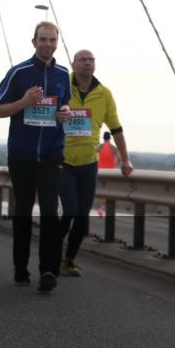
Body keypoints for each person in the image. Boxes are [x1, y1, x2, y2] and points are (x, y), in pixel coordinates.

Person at [0, 21, 72, 293]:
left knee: (50, 211)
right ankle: (20, 268)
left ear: (57, 43)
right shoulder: (19, 73)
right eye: (43, 40)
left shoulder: (63, 74)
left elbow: (65, 106)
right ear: (34, 41)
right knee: (23, 212)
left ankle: (48, 270)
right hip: (22, 154)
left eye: (52, 40)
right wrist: (24, 102)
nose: (48, 44)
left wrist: (65, 113)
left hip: (51, 153)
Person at [60, 49, 133, 277]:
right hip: (62, 160)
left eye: (91, 60)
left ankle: (68, 260)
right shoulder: (62, 87)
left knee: (82, 215)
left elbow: (116, 128)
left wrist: (126, 159)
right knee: (70, 209)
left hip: (89, 163)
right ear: (73, 65)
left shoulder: (104, 94)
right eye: (82, 60)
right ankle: (51, 253)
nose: (87, 64)